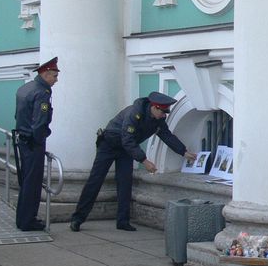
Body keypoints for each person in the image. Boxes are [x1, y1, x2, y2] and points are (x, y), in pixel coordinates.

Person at [69, 92, 197, 232]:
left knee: (125, 183)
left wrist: (184, 152)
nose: (164, 115)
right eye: (162, 112)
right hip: (109, 145)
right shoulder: (134, 113)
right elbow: (127, 139)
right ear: (154, 107)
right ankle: (77, 218)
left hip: (126, 150)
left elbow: (166, 135)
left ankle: (123, 221)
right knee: (95, 180)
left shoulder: (158, 119)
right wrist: (144, 160)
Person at [14, 57, 60, 231]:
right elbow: (40, 122)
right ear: (45, 74)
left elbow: (18, 115)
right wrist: (41, 137)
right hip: (33, 142)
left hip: (23, 138)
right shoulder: (42, 92)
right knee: (33, 183)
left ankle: (22, 219)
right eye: (54, 76)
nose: (56, 80)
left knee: (26, 181)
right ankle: (28, 221)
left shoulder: (25, 88)